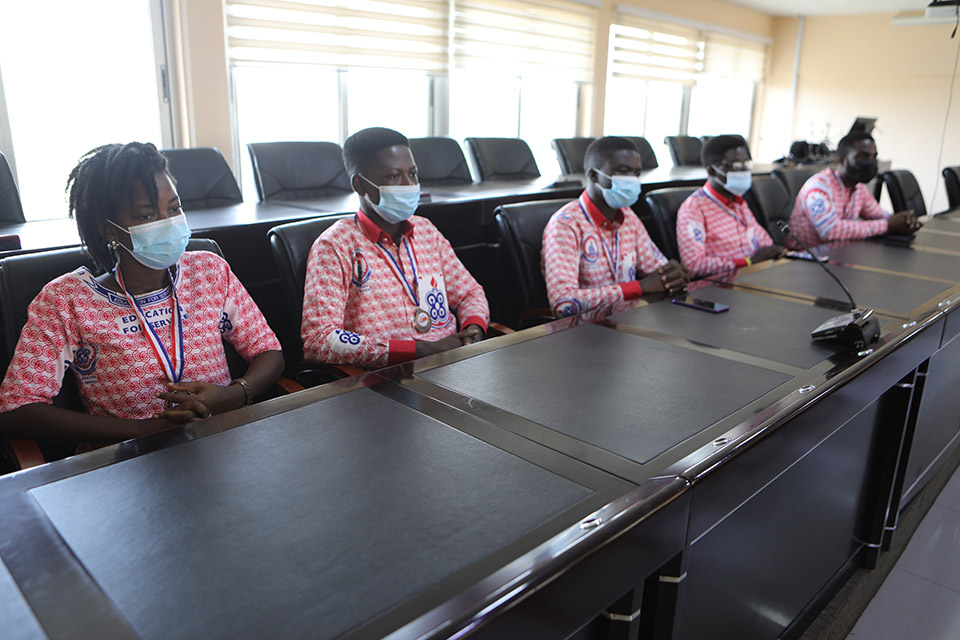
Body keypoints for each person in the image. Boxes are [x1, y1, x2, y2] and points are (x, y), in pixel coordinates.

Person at [0, 142, 284, 446]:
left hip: (222, 444)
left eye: (174, 209)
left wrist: (234, 394)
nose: (168, 222)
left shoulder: (209, 271)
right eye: (147, 215)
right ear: (108, 230)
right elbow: (17, 409)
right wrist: (140, 432)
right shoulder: (66, 301)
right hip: (128, 462)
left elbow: (269, 351)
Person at [302, 127, 489, 369]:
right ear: (360, 185)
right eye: (393, 176)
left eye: (412, 174)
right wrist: (419, 350)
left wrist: (472, 329)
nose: (409, 185)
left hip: (451, 365)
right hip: (387, 379)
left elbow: (469, 293)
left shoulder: (425, 231)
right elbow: (319, 340)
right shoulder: (334, 245)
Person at [541, 136, 688, 319]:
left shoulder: (629, 217)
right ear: (593, 175)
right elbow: (563, 303)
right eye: (622, 172)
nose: (632, 180)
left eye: (636, 174)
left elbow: (658, 272)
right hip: (582, 333)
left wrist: (672, 276)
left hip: (626, 324)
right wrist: (639, 287)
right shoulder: (566, 225)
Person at [787, 131, 922, 247]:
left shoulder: (858, 188)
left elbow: (880, 215)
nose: (870, 162)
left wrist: (904, 220)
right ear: (841, 160)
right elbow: (830, 230)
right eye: (863, 156)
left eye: (873, 156)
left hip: (838, 254)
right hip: (803, 258)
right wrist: (888, 225)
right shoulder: (819, 187)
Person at [676, 135, 785, 278]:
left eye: (746, 164)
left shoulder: (739, 202)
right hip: (720, 287)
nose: (744, 171)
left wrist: (775, 251)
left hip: (752, 277)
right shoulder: (694, 208)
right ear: (712, 171)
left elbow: (764, 242)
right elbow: (694, 265)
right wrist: (748, 262)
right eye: (736, 166)